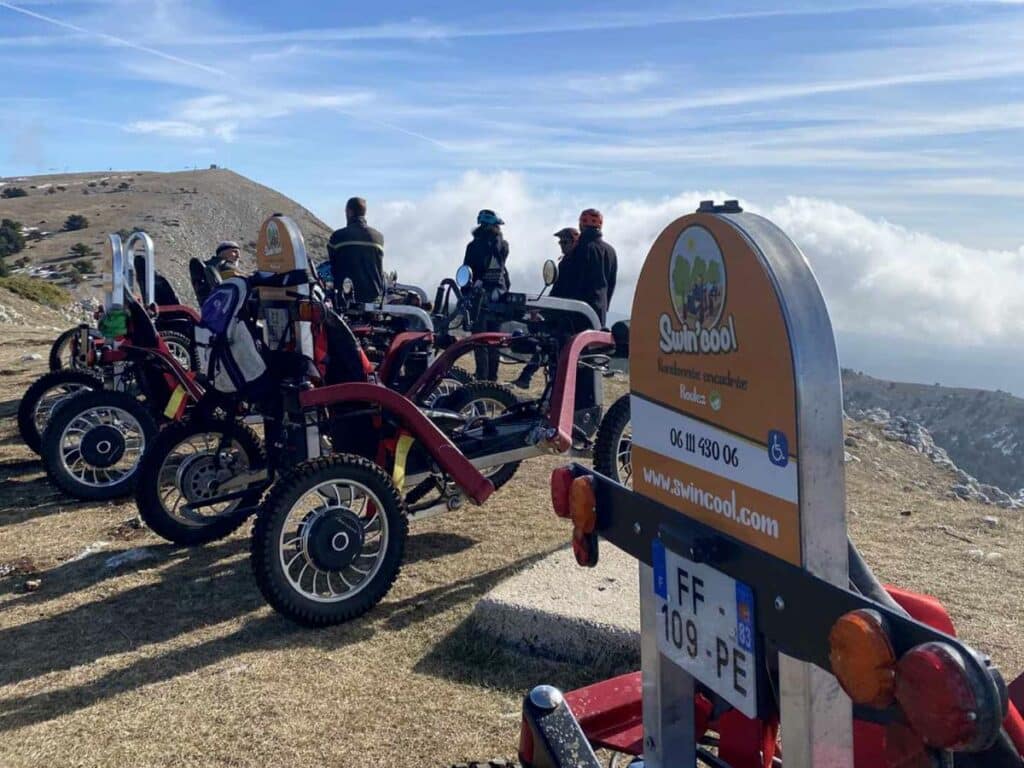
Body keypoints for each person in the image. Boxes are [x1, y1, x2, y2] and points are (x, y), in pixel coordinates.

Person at [512, 227, 578, 389]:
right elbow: (556, 291)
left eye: (565, 242)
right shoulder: (565, 262)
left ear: (574, 242)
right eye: (560, 242)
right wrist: (543, 308)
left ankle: (530, 378)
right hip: (558, 313)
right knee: (545, 344)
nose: (562, 245)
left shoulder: (574, 264)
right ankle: (528, 377)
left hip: (566, 316)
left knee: (549, 346)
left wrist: (546, 310)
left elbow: (563, 292)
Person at [463, 209, 510, 380]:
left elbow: (467, 271)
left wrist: (467, 292)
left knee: (479, 340)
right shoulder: (503, 246)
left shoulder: (474, 246)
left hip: (478, 296)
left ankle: (482, 378)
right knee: (494, 340)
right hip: (499, 294)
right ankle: (492, 377)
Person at [327, 197, 384, 303]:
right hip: (372, 299)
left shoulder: (338, 236)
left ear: (349, 212)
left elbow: (332, 265)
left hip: (344, 298)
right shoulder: (378, 237)